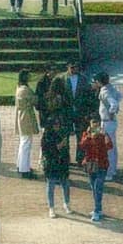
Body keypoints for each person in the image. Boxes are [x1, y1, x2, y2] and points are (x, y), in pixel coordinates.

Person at [41, 79, 75, 216]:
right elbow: (46, 147)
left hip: (59, 156)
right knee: (54, 181)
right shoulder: (53, 129)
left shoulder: (59, 127)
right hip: (54, 156)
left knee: (62, 181)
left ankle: (62, 205)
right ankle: (54, 206)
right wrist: (58, 146)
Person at [78, 121, 112, 222]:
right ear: (90, 124)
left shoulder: (103, 135)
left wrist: (105, 134)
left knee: (98, 187)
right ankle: (99, 208)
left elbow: (109, 146)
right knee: (94, 188)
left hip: (102, 165)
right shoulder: (86, 134)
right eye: (93, 124)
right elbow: (82, 146)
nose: (95, 126)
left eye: (97, 124)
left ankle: (97, 211)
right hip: (90, 165)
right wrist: (88, 136)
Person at [14, 71, 40, 178]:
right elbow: (35, 100)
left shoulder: (19, 88)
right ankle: (24, 169)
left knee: (23, 142)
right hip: (26, 117)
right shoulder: (25, 90)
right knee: (26, 144)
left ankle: (21, 166)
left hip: (22, 116)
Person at [96, 72, 122, 178]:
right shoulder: (111, 88)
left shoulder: (105, 91)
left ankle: (109, 173)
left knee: (108, 147)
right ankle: (113, 169)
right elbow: (120, 96)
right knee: (113, 147)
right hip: (111, 122)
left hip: (107, 121)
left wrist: (111, 112)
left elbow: (114, 104)